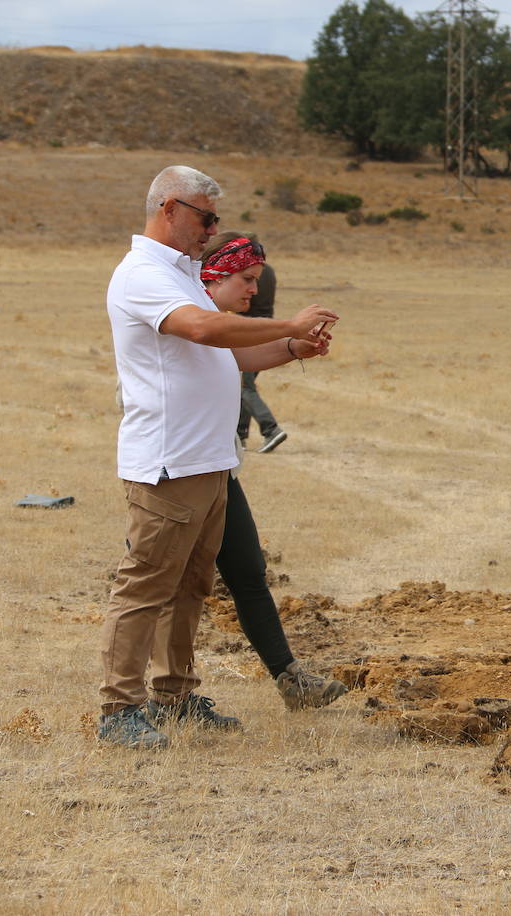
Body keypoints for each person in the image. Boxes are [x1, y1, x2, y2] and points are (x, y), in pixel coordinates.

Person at [99, 165, 338, 750]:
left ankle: (175, 697)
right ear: (171, 208)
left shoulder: (179, 272)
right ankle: (119, 710)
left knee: (190, 589)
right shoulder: (141, 274)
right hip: (169, 461)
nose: (212, 230)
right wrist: (286, 321)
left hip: (208, 464)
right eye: (206, 218)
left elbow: (225, 358)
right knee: (146, 587)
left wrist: (289, 346)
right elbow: (205, 330)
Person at [200, 232, 348, 711]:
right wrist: (288, 326)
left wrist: (293, 346)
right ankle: (140, 700)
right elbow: (220, 338)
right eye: (247, 280)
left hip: (218, 467)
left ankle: (291, 680)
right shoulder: (189, 318)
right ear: (215, 274)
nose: (254, 292)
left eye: (257, 281)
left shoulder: (218, 324)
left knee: (248, 573)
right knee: (160, 588)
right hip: (174, 474)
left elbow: (238, 355)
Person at [238, 263, 286, 453]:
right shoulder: (269, 271)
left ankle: (271, 429)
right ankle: (239, 435)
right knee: (243, 385)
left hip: (249, 331)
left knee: (244, 387)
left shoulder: (245, 273)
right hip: (266, 328)